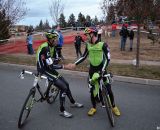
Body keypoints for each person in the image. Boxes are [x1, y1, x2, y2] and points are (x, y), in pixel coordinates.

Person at [67, 27, 121, 116]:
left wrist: (103, 70)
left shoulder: (103, 45)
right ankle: (93, 107)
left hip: (102, 69)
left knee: (109, 89)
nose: (86, 37)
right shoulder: (88, 45)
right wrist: (75, 64)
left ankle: (114, 107)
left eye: (87, 35)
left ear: (92, 34)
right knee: (92, 90)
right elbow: (83, 56)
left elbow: (108, 59)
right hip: (92, 70)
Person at [36, 31, 83, 118]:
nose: (57, 40)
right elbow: (51, 66)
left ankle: (73, 103)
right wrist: (66, 66)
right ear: (50, 40)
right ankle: (62, 111)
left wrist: (57, 58)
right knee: (63, 87)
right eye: (56, 39)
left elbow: (56, 60)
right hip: (44, 69)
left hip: (49, 68)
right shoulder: (45, 48)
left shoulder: (52, 46)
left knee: (66, 84)